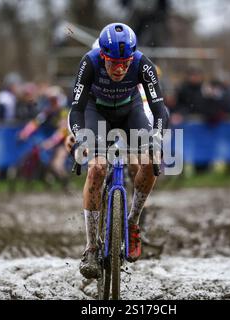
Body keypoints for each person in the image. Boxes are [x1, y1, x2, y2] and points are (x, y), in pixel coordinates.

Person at [68, 23, 169, 279]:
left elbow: (159, 110)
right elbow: (77, 110)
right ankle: (91, 247)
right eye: (114, 62)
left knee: (149, 161)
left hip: (130, 111)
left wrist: (156, 137)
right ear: (103, 55)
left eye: (125, 62)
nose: (120, 68)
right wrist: (81, 138)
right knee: (98, 167)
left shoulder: (142, 63)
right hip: (96, 111)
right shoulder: (89, 62)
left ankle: (133, 223)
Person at [19, 86, 70, 191]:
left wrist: (51, 141)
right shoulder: (47, 112)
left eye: (54, 99)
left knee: (56, 165)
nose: (52, 102)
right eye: (50, 100)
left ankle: (67, 186)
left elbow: (63, 131)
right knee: (43, 160)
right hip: (51, 141)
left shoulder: (64, 112)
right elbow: (35, 123)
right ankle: (48, 182)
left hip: (64, 142)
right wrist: (24, 133)